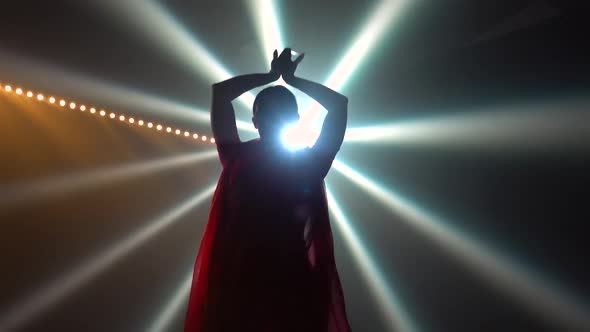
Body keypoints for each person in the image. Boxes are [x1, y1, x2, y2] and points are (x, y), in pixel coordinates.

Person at [184, 48, 351, 332]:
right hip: (270, 282)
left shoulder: (239, 158)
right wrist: (285, 79)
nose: (273, 117)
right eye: (268, 111)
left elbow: (222, 94)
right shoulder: (307, 164)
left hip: (261, 283)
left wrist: (276, 77)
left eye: (278, 111)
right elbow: (338, 106)